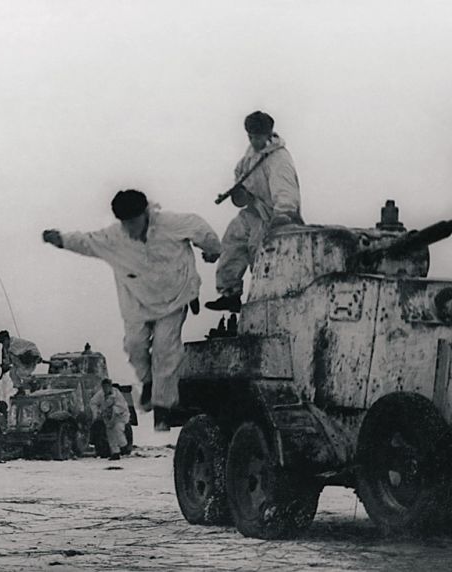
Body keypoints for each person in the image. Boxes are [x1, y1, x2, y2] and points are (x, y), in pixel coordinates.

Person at [43, 189, 221, 430]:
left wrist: (212, 249)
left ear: (145, 214)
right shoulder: (115, 237)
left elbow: (200, 229)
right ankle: (147, 381)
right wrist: (62, 240)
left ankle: (163, 407)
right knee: (135, 344)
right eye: (125, 224)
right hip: (137, 302)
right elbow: (87, 241)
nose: (130, 229)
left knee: (165, 349)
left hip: (175, 297)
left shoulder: (172, 224)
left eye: (134, 222)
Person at [206, 111, 303, 313]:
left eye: (257, 137)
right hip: (253, 211)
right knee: (232, 241)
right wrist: (240, 191)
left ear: (268, 134)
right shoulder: (251, 154)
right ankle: (230, 293)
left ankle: (265, 300)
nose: (253, 140)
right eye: (250, 136)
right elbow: (241, 175)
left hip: (272, 217)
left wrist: (283, 215)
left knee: (260, 256)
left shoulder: (279, 159)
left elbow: (286, 190)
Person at [90, 378, 131, 460]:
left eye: (107, 386)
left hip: (119, 417)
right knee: (110, 435)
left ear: (110, 386)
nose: (105, 389)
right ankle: (115, 453)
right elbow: (93, 402)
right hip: (108, 418)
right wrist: (97, 412)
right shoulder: (100, 394)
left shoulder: (117, 394)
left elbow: (122, 406)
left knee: (118, 430)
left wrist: (113, 410)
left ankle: (124, 446)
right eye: (104, 387)